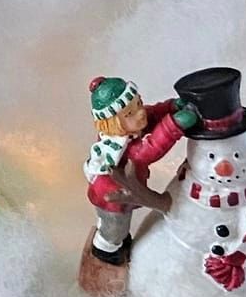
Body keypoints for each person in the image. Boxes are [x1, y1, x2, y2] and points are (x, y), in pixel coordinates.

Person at [84, 74, 199, 267]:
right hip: (113, 196)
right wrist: (174, 125)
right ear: (114, 123)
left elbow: (152, 112)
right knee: (115, 227)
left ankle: (116, 242)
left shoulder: (133, 124)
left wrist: (171, 107)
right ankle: (105, 250)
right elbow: (149, 149)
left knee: (117, 224)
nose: (140, 112)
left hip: (126, 190)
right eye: (129, 113)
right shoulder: (119, 145)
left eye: (138, 103)